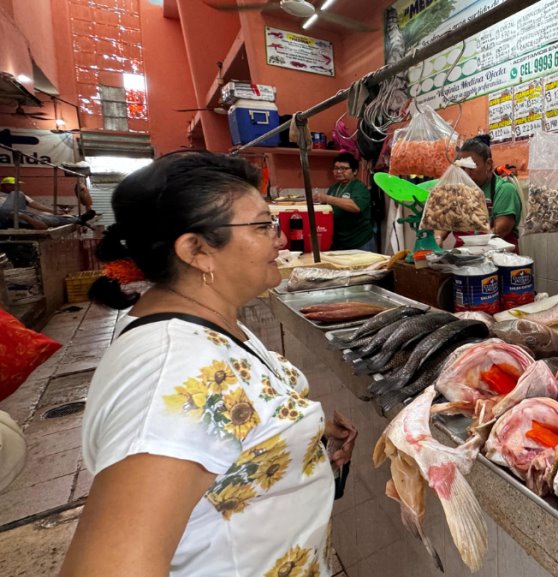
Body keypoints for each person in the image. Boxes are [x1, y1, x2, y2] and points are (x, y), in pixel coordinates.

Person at [60, 152, 357, 577]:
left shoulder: (208, 319)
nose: (281, 239)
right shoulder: (173, 375)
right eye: (261, 225)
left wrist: (300, 434)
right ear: (197, 250)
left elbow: (226, 419)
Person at [454, 134, 522, 249]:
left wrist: (474, 249)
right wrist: (438, 238)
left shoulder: (504, 189)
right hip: (464, 257)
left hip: (500, 258)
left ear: (489, 164)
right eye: (463, 168)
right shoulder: (460, 190)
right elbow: (444, 224)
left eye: (471, 168)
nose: (466, 174)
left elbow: (500, 230)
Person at [313, 152, 377, 252]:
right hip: (339, 242)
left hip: (360, 242)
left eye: (343, 168)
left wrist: (328, 199)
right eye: (336, 168)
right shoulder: (334, 187)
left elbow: (356, 206)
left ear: (355, 171)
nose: (338, 171)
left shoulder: (359, 187)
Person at [0, 177, 95, 229]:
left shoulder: (18, 195)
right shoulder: (9, 195)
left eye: (18, 185)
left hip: (20, 215)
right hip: (5, 217)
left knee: (47, 216)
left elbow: (35, 204)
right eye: (14, 185)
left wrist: (54, 211)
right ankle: (77, 219)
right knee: (41, 218)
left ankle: (76, 219)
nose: (16, 187)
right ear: (4, 186)